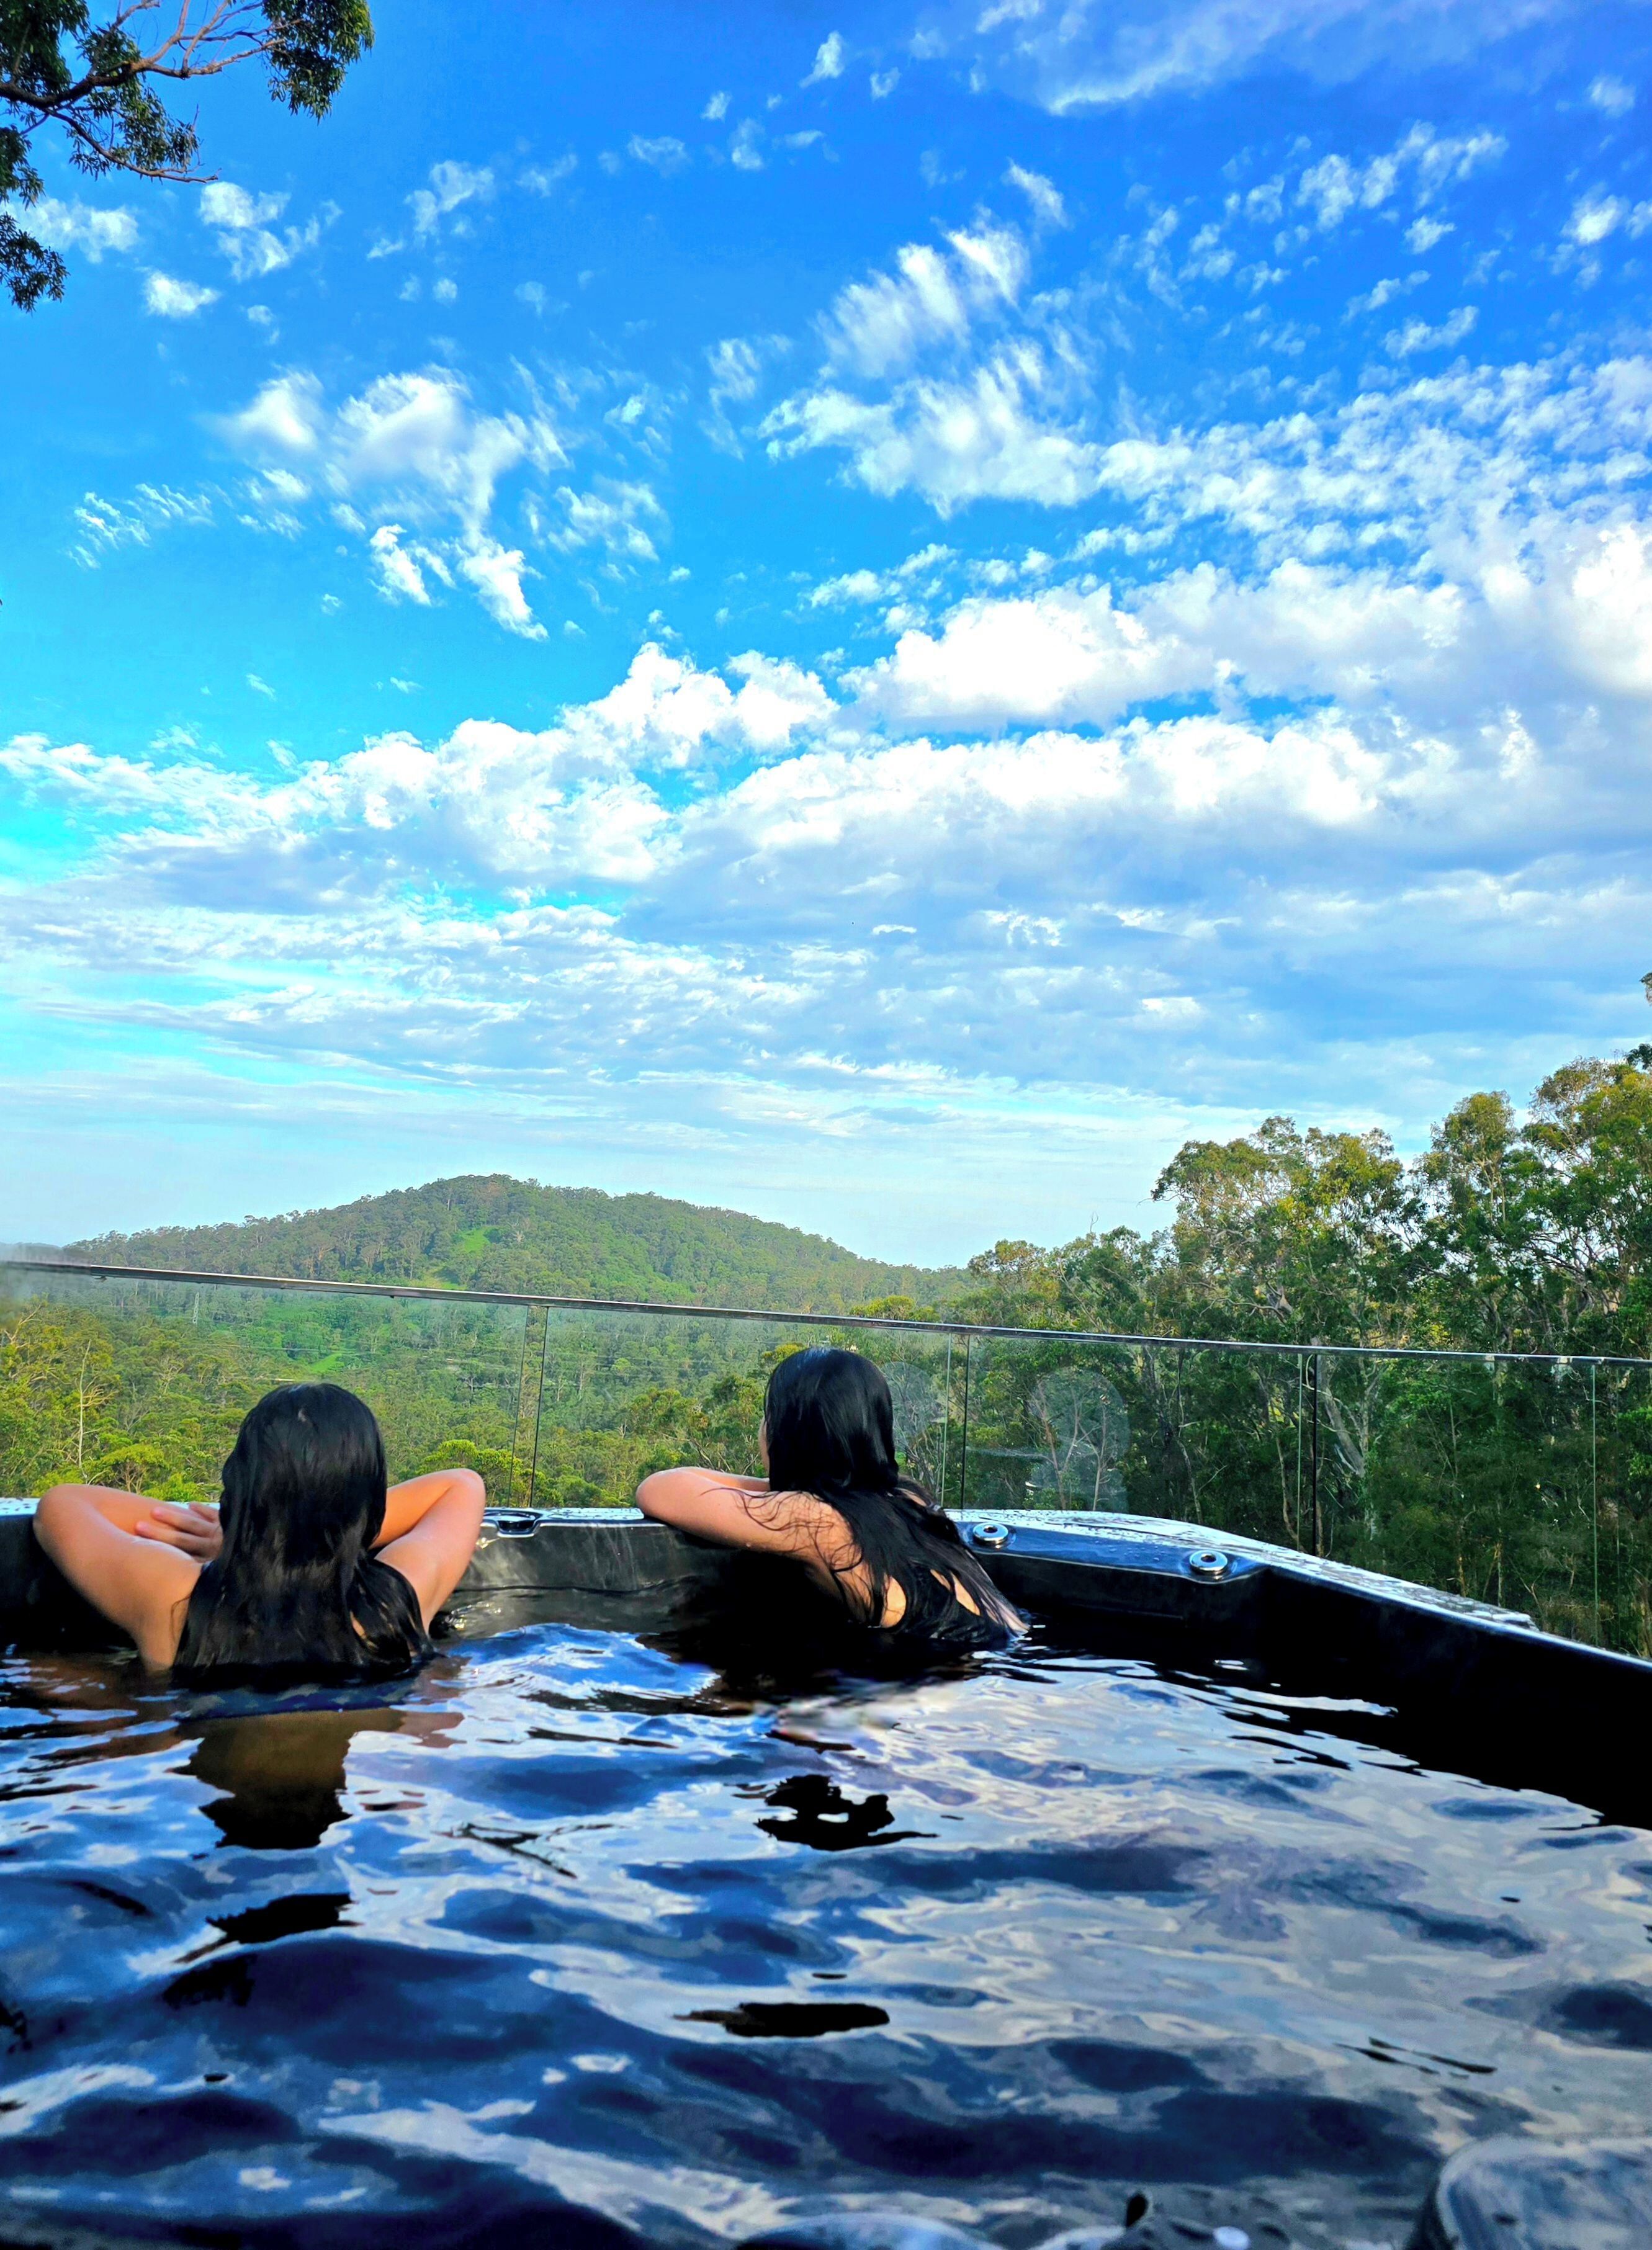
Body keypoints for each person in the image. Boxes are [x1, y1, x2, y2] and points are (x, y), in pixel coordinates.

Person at [34, 1382, 485, 1682]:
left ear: (238, 1485)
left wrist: (249, 1533)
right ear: (369, 1505)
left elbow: (61, 1505)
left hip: (198, 1768)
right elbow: (461, 1485)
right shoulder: (395, 1603)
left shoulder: (171, 1599)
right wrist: (327, 1526)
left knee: (55, 1676)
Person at [636, 1346, 1023, 1650]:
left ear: (789, 1434)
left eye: (769, 1416)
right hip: (1006, 1653)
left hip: (950, 1673)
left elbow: (659, 1489)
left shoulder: (812, 1518)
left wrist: (785, 1488)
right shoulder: (906, 1497)